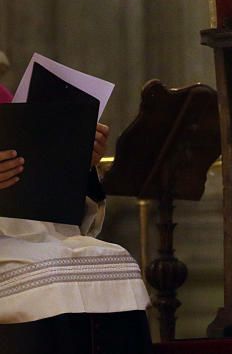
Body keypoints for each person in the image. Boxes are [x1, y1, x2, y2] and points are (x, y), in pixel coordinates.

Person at [0, 107, 151, 352]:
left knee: (117, 262)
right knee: (48, 277)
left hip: (34, 229)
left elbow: (39, 183)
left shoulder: (7, 101)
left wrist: (79, 161)